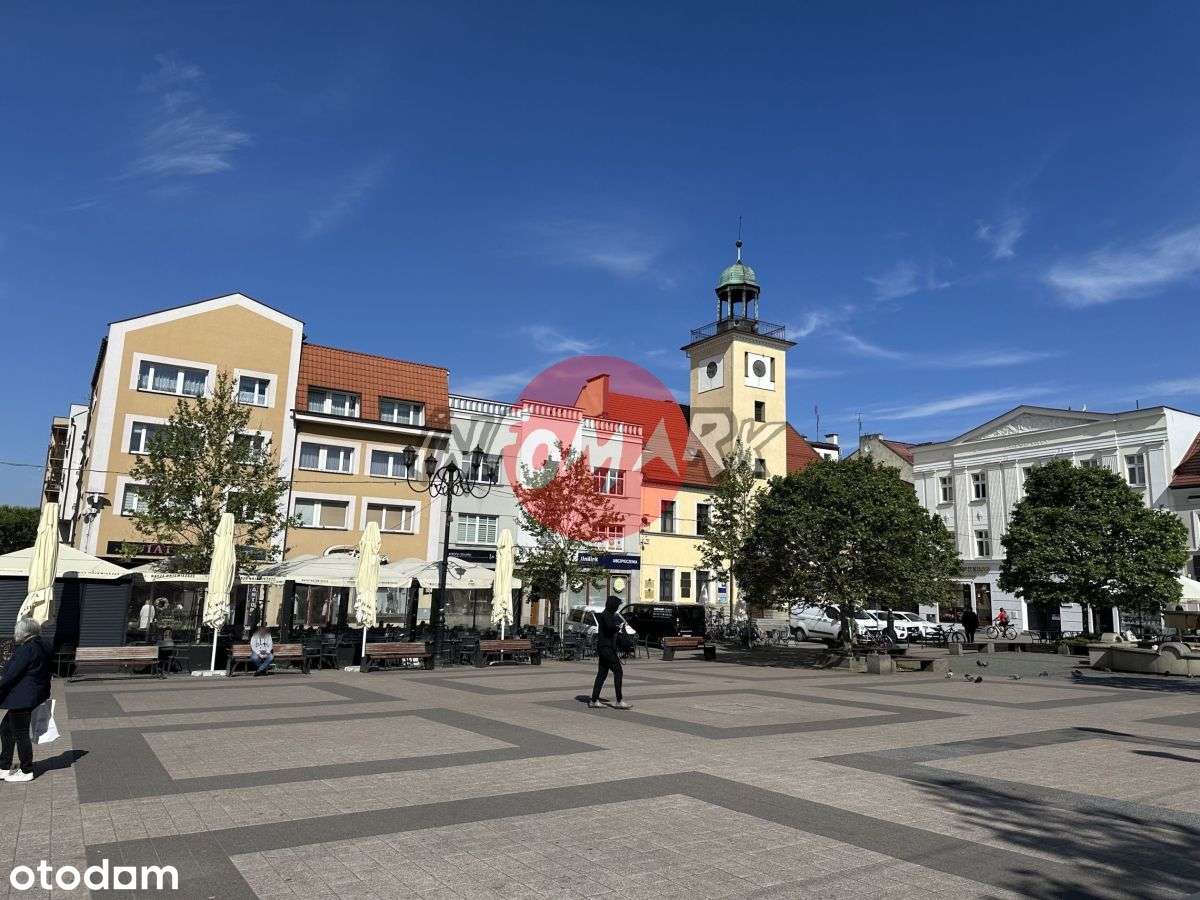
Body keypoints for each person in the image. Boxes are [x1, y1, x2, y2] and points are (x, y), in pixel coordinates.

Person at [0, 618, 52, 783]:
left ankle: (26, 769)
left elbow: (10, 674)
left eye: (16, 630)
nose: (15, 633)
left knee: (20, 733)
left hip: (21, 698)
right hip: (30, 695)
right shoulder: (42, 645)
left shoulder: (26, 649)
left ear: (24, 632)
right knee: (6, 730)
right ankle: (4, 767)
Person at [589, 596, 631, 710]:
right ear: (612, 605)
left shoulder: (608, 614)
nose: (617, 607)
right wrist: (618, 627)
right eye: (616, 605)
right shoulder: (606, 615)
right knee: (618, 671)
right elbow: (609, 627)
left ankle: (594, 700)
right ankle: (619, 700)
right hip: (606, 648)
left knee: (602, 674)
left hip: (605, 648)